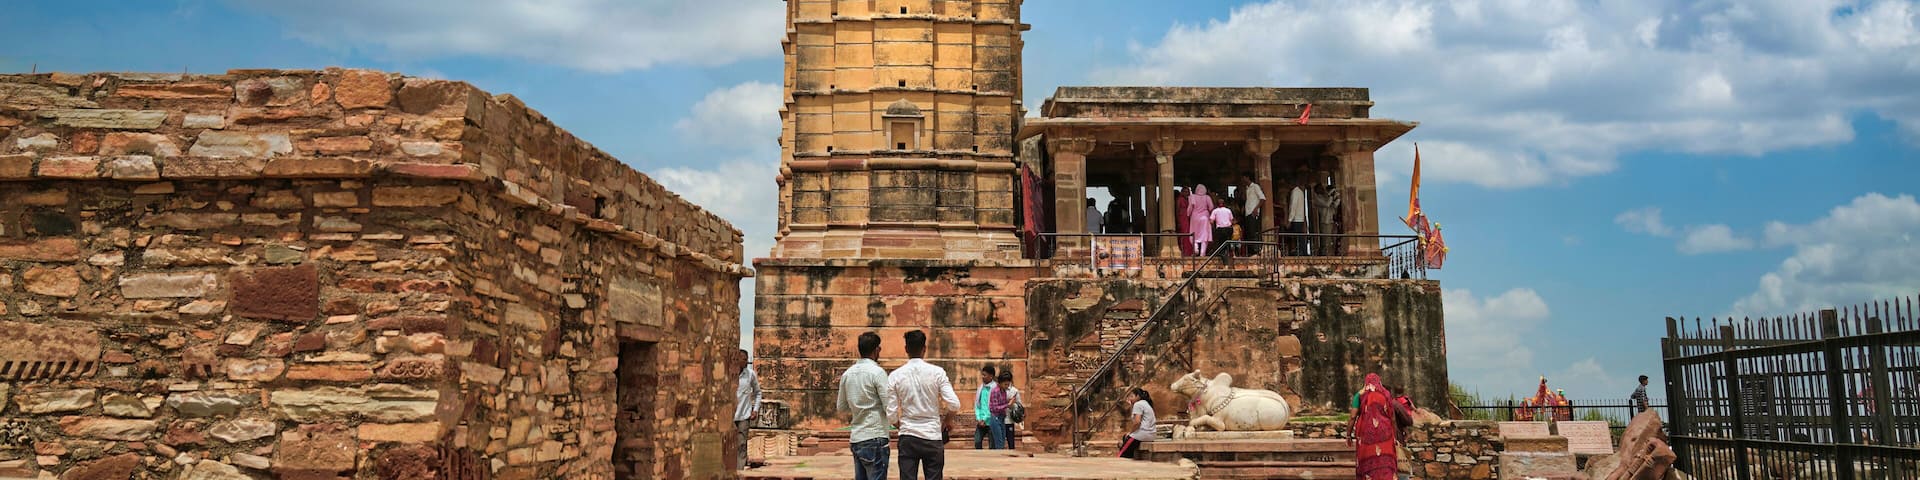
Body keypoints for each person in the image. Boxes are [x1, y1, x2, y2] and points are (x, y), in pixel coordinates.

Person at [887, 330, 960, 480]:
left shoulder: (895, 375)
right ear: (924, 349)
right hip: (932, 435)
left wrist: (903, 426)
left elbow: (891, 415)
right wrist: (947, 421)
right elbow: (954, 404)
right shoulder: (937, 372)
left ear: (906, 349)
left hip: (908, 436)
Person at [836, 332, 891, 480]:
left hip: (857, 437)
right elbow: (888, 406)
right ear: (877, 350)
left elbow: (841, 407)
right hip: (875, 435)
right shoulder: (878, 373)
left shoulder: (847, 374)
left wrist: (858, 407)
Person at [1349, 374, 1406, 480]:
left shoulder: (1359, 395)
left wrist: (1348, 435)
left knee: (1366, 462)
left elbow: (1353, 416)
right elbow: (1392, 418)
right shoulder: (1386, 394)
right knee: (1387, 464)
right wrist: (1394, 436)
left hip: (1366, 436)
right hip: (1386, 435)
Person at [733, 349, 762, 470]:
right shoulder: (730, 374)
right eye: (744, 359)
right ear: (738, 359)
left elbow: (758, 393)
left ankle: (740, 470)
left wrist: (755, 409)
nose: (746, 362)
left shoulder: (750, 374)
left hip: (744, 416)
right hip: (730, 416)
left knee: (741, 444)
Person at [1119, 387, 1156, 459]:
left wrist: (1130, 433)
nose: (1129, 398)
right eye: (1128, 396)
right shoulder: (1145, 403)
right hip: (1151, 435)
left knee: (1121, 455)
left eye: (1131, 396)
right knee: (1125, 438)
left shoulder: (1138, 404)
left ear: (1138, 396)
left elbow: (1137, 422)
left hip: (1141, 434)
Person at [992, 370, 1022, 450]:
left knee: (1009, 442)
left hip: (1008, 418)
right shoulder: (996, 391)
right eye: (1005, 384)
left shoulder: (1013, 391)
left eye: (1008, 384)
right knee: (999, 443)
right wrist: (1007, 404)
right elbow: (995, 407)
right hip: (997, 417)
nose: (1007, 386)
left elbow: (1019, 405)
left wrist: (1012, 404)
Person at [972, 365, 998, 449]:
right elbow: (977, 404)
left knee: (992, 445)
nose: (982, 377)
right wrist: (979, 418)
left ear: (991, 376)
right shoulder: (981, 388)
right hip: (981, 421)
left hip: (992, 421)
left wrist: (985, 419)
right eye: (982, 375)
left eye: (984, 375)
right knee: (977, 441)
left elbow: (994, 406)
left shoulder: (996, 389)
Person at [1187, 184, 1216, 255]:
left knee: (1194, 233)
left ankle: (1195, 247)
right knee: (1204, 235)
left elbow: (1190, 207)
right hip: (1205, 217)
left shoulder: (1192, 197)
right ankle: (1202, 253)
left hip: (1194, 217)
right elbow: (1211, 207)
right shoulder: (1207, 197)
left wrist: (1188, 214)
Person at [1286, 175, 1310, 256]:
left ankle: (1302, 253)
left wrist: (1290, 220)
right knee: (1300, 237)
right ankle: (1303, 252)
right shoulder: (1300, 192)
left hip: (1296, 219)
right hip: (1300, 218)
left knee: (1299, 238)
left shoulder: (1295, 192)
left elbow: (1293, 206)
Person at [1175, 188, 1194, 256]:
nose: (1187, 193)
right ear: (1182, 192)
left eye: (1188, 192)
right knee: (1184, 234)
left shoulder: (1189, 199)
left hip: (1189, 218)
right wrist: (1178, 221)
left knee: (1190, 234)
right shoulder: (1179, 199)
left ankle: (1189, 252)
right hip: (1182, 218)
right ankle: (1183, 251)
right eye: (1185, 192)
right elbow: (1177, 210)